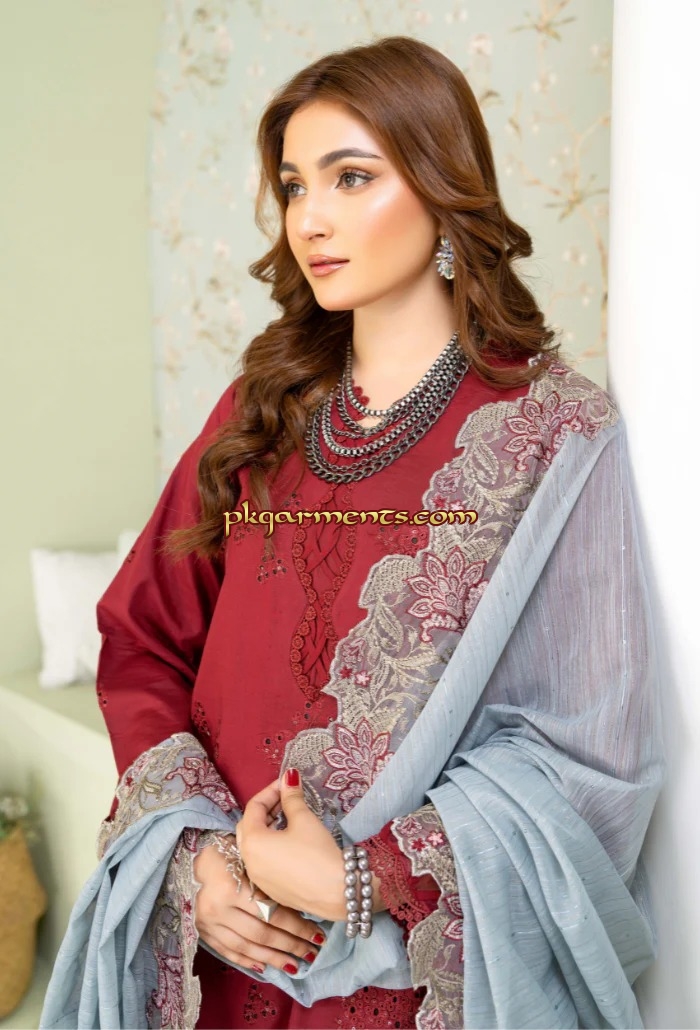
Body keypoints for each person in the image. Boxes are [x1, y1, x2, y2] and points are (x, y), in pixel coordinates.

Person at [40, 34, 663, 1030]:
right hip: (220, 955)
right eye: (295, 185)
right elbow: (143, 637)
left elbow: (588, 759)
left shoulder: (550, 436)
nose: (310, 218)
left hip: (399, 983)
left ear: (442, 187)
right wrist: (196, 861)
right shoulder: (261, 411)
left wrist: (364, 879)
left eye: (351, 177)